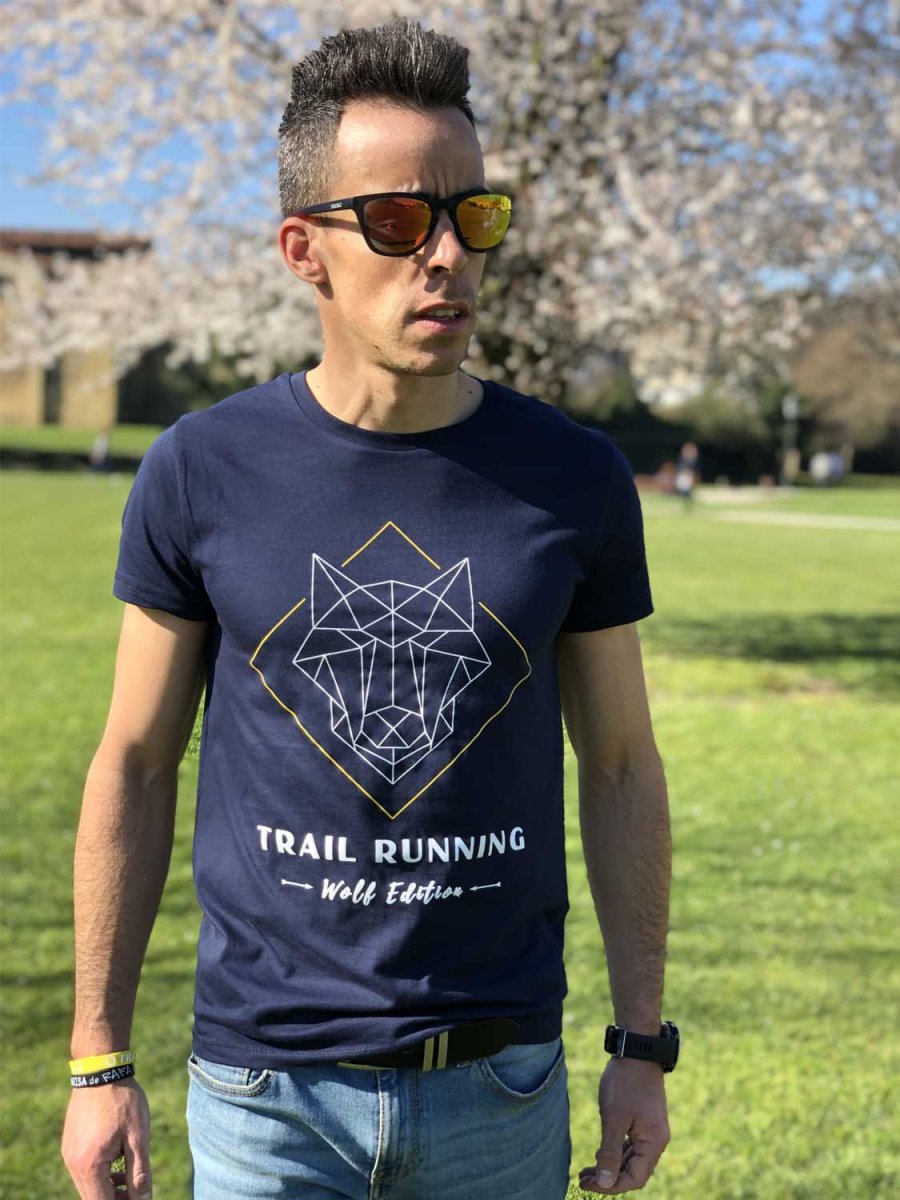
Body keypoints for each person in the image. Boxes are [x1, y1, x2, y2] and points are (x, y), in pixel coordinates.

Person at [62, 18, 674, 1200]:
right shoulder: (201, 470)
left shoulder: (575, 479)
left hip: (500, 1091)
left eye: (473, 216)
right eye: (397, 221)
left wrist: (641, 1043)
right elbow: (132, 766)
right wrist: (99, 1060)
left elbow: (620, 767)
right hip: (264, 1101)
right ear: (306, 249)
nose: (445, 255)